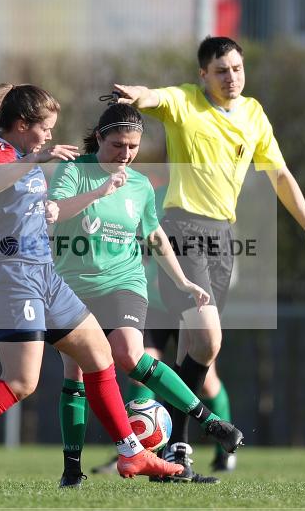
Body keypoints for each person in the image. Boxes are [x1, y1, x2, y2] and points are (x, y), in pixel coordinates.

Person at [0, 84, 183, 490]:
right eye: (44, 129)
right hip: (13, 276)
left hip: (46, 273)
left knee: (99, 355)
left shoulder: (23, 156)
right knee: (22, 381)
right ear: (23, 126)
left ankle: (131, 452)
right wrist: (37, 160)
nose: (48, 137)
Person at [114, 36, 305, 482]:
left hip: (221, 238)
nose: (231, 77)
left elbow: (280, 173)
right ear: (203, 75)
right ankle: (176, 440)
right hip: (181, 229)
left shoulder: (253, 114)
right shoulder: (186, 103)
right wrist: (139, 95)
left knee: (201, 350)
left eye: (236, 68)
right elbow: (156, 98)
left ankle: (172, 447)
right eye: (221, 71)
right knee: (208, 339)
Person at [48, 103, 245, 487]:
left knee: (128, 354)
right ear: (100, 137)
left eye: (133, 147)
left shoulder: (138, 185)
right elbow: (55, 211)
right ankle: (72, 470)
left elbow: (155, 236)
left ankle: (209, 422)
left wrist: (184, 281)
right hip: (74, 285)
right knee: (76, 372)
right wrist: (101, 190)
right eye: (118, 145)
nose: (125, 154)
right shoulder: (74, 170)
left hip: (124, 283)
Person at [88, 182, 239, 477]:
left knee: (207, 382)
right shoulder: (150, 195)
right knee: (140, 366)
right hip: (153, 304)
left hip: (188, 303)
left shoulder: (206, 200)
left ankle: (224, 451)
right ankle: (137, 448)